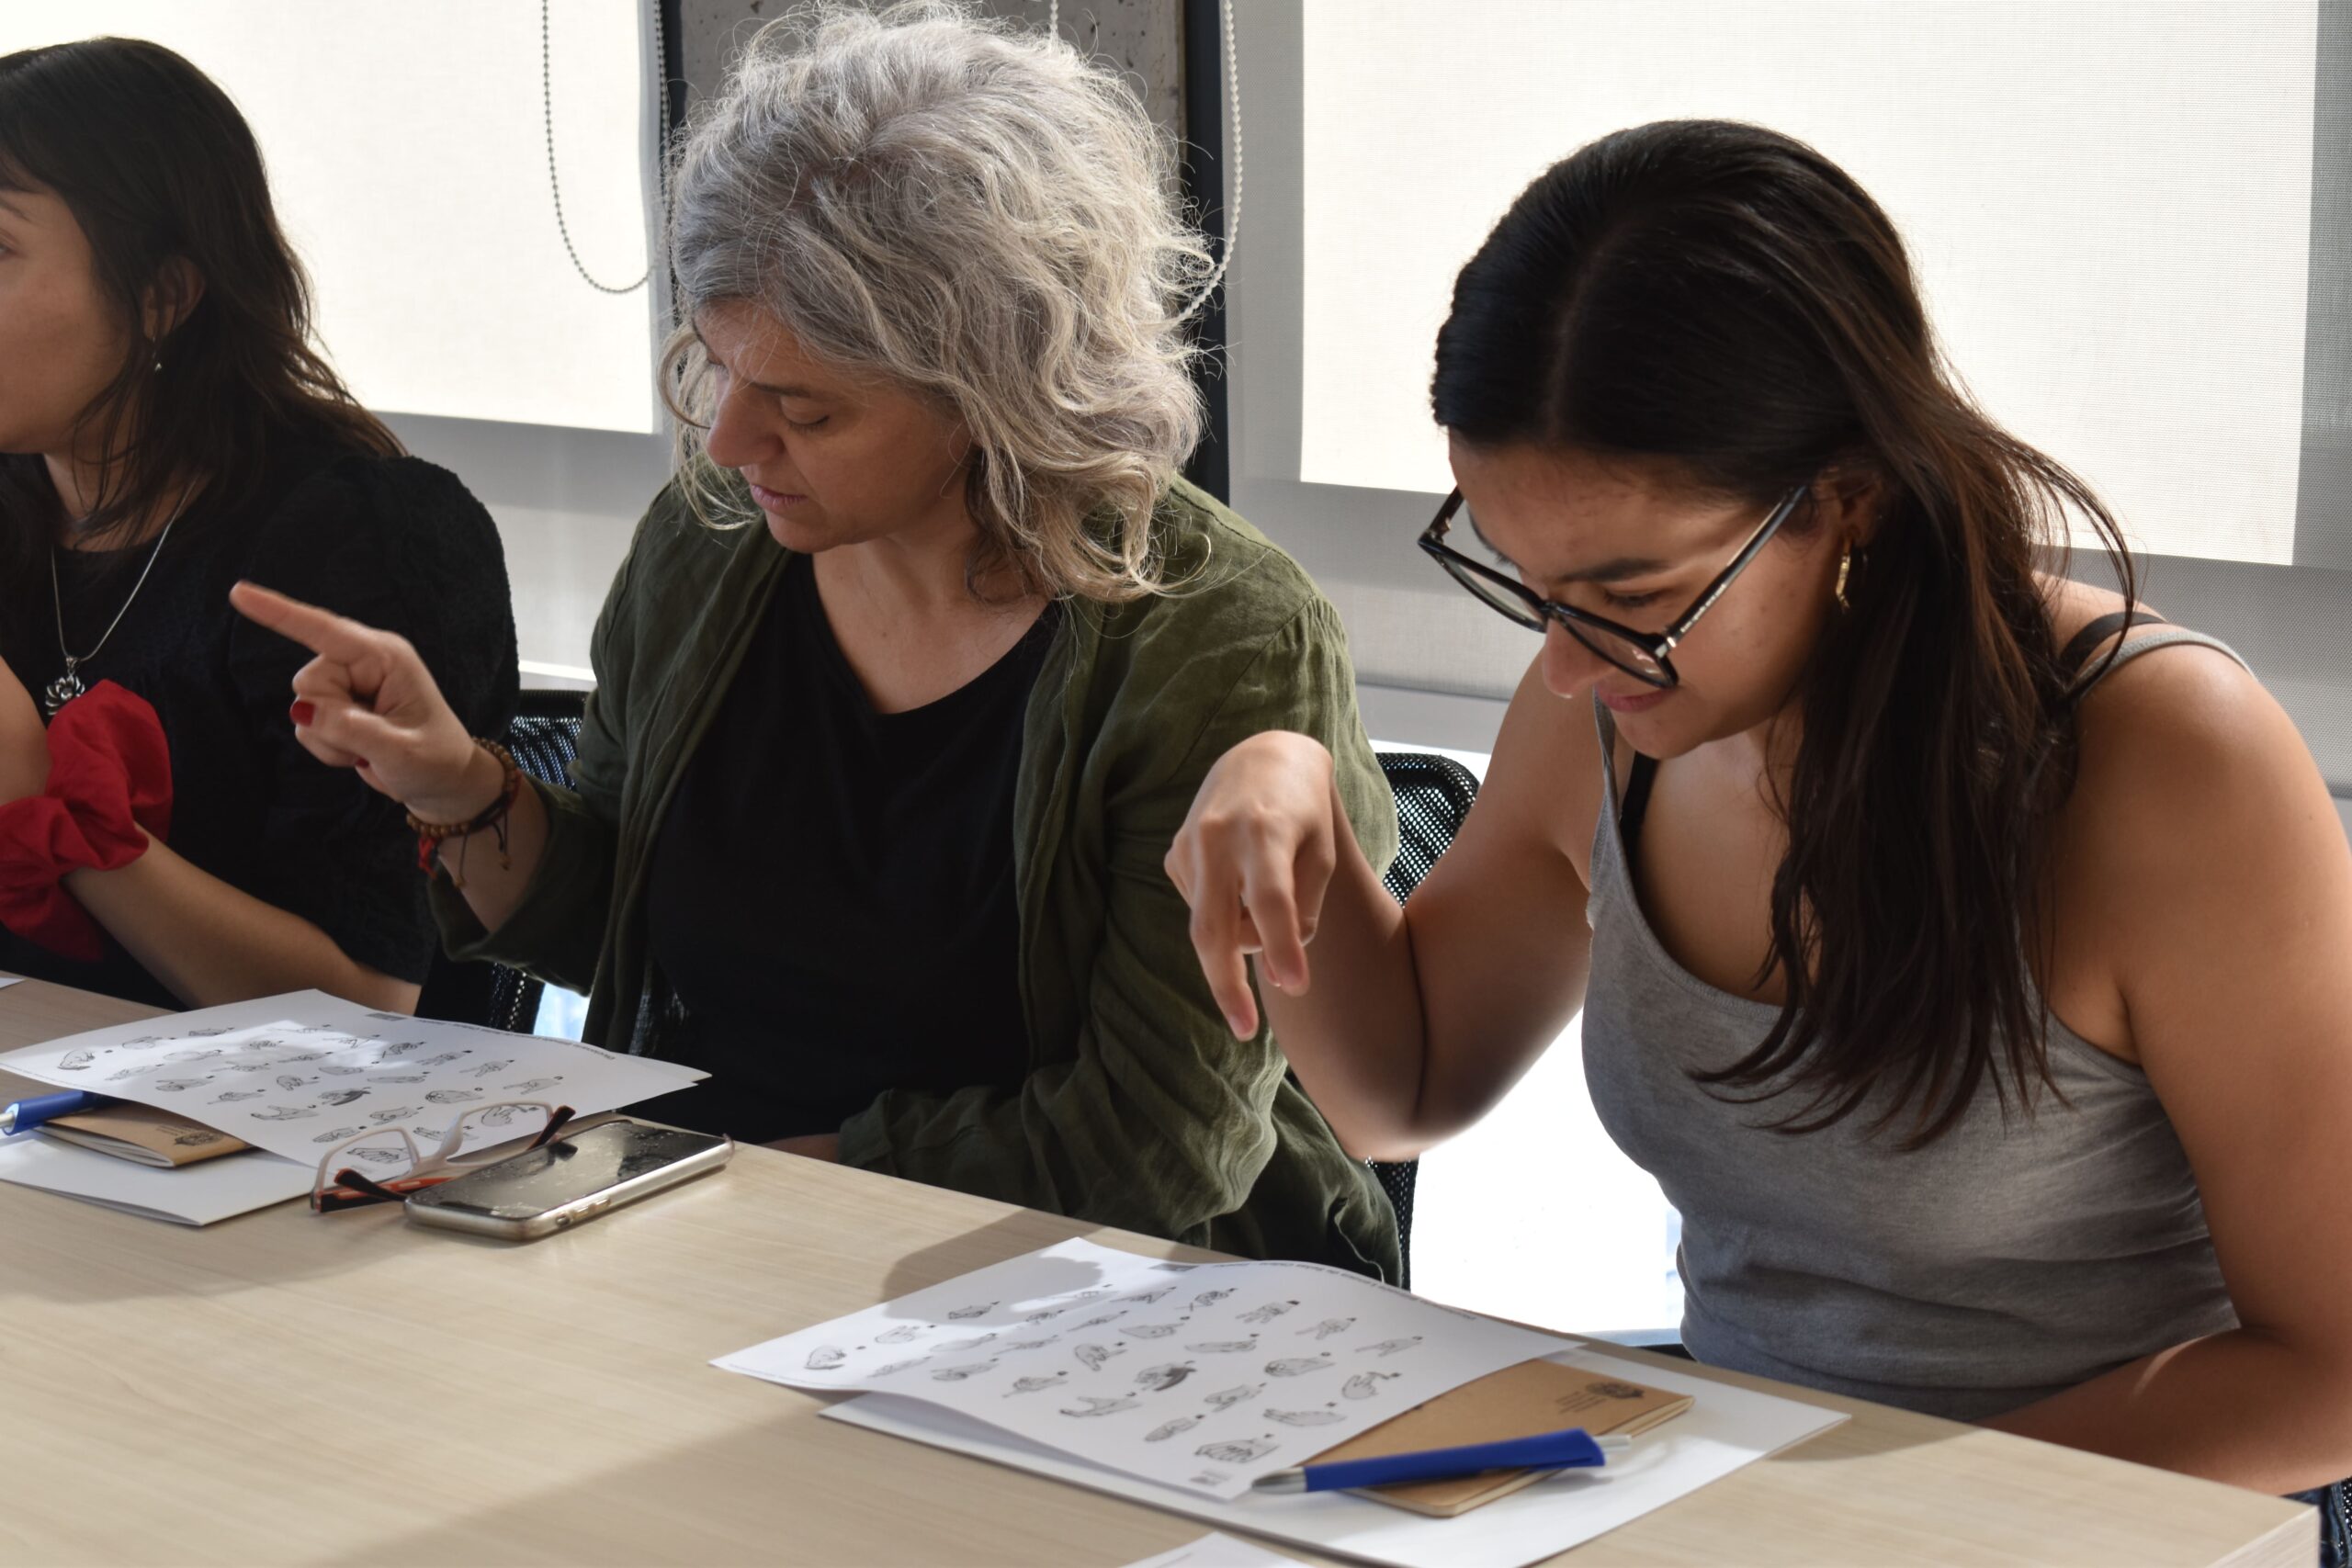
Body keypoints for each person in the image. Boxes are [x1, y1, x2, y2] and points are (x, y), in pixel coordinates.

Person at [1168, 119, 2352, 1506]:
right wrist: (1295, 793)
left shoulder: (2161, 758)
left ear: (1846, 498)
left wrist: (1833, 1512)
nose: (1566, 663)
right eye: (1529, 584)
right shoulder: (1606, 710)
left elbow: (2331, 1371)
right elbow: (1404, 1087)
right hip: (1732, 1494)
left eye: (1632, 596)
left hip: (2086, 1522)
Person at [233, 3, 1400, 1277]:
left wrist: (748, 1187)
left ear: (993, 390)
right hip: (724, 1236)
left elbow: (1155, 1145)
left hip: (1095, 1289)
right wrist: (456, 785)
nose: (732, 441)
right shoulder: (711, 546)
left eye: (806, 408)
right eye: (718, 370)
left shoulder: (1215, 640)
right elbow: (619, 923)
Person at [0, 37, 515, 1010]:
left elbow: (370, 999)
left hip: (307, 1103)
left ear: (163, 295)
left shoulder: (354, 538)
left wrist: (41, 801)